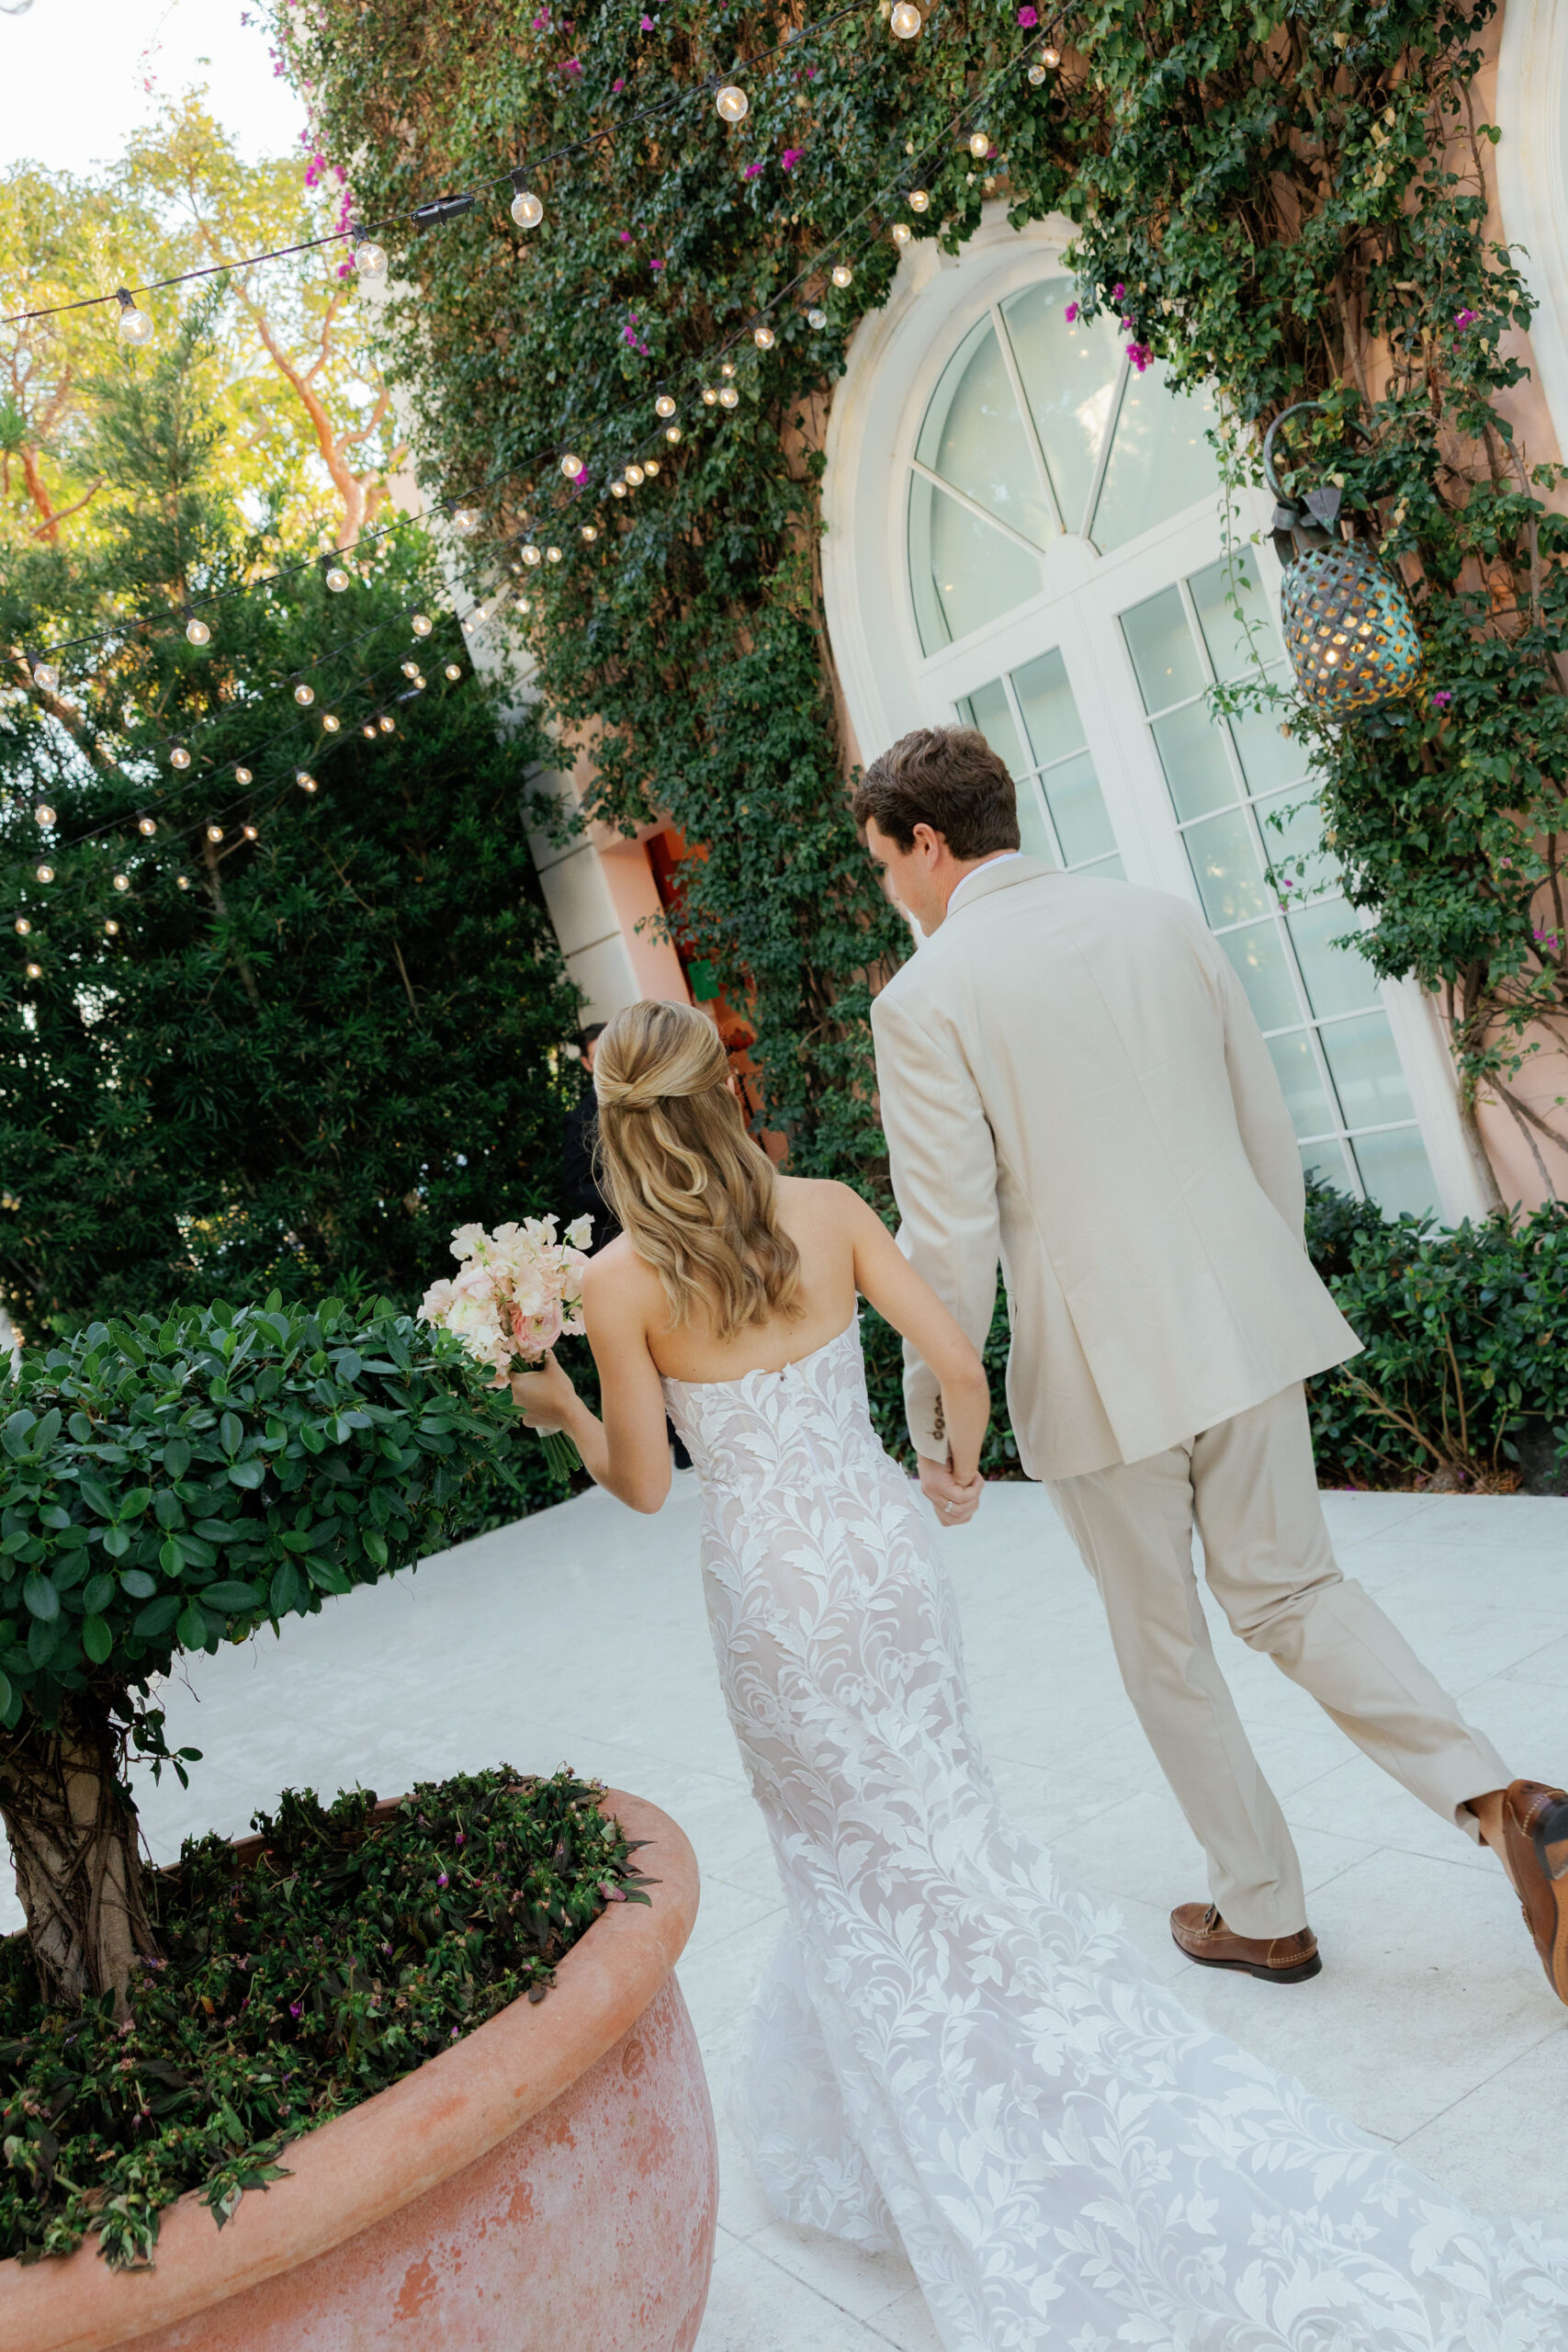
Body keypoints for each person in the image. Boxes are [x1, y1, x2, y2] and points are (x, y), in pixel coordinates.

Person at [513, 997, 1568, 2350]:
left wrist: (564, 1413)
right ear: (727, 1088)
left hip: (773, 1595)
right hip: (886, 1561)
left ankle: (945, 2108)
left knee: (849, 1861)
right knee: (948, 1814)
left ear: (613, 1118)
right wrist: (950, 1475)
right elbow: (956, 1357)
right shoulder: (825, 1208)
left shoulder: (616, 1285)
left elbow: (648, 1487)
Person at [854, 721, 1568, 2000]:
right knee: (1294, 1594)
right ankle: (1498, 1797)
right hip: (1242, 1319)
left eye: (888, 866)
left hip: (1099, 1370)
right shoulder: (1160, 918)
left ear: (926, 842)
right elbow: (1263, 1124)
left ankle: (1266, 1914)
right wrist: (1260, 1292)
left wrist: (938, 1422)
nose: (891, 891)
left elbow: (947, 1238)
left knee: (1164, 1646)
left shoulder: (923, 1000)